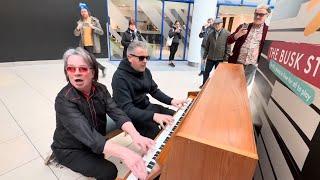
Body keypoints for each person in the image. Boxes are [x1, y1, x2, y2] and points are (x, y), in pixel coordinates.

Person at [51, 47, 154, 180]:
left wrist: (136, 136)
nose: (76, 73)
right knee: (108, 171)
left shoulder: (100, 89)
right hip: (71, 149)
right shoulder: (64, 100)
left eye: (82, 68)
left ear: (93, 72)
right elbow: (88, 134)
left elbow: (117, 112)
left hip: (94, 143)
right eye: (71, 68)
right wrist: (126, 153)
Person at [112, 41, 186, 139]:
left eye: (147, 57)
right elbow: (127, 109)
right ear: (130, 57)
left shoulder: (145, 71)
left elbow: (154, 90)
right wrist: (153, 116)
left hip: (146, 107)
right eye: (141, 58)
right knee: (156, 134)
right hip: (131, 115)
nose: (145, 61)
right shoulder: (119, 78)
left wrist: (171, 100)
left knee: (176, 118)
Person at [227, 5, 271, 85]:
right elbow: (229, 40)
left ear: (267, 15)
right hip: (237, 62)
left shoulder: (268, 31)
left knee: (243, 87)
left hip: (251, 65)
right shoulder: (243, 26)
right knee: (231, 85)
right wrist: (237, 35)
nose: (257, 16)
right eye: (256, 13)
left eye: (261, 14)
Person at [74, 2, 106, 77]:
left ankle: (96, 72)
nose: (83, 13)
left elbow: (101, 32)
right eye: (82, 12)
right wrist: (77, 28)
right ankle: (100, 69)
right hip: (83, 45)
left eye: (84, 11)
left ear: (88, 12)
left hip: (92, 45)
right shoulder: (80, 22)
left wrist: (93, 27)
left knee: (91, 61)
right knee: (88, 61)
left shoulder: (94, 21)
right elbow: (76, 34)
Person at [201, 17, 231, 88]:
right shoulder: (210, 34)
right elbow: (207, 47)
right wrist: (204, 57)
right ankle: (204, 85)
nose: (217, 25)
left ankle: (217, 86)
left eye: (218, 24)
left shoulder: (227, 34)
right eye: (215, 24)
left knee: (218, 74)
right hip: (210, 58)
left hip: (220, 59)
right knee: (206, 72)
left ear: (222, 24)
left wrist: (226, 59)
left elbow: (228, 48)